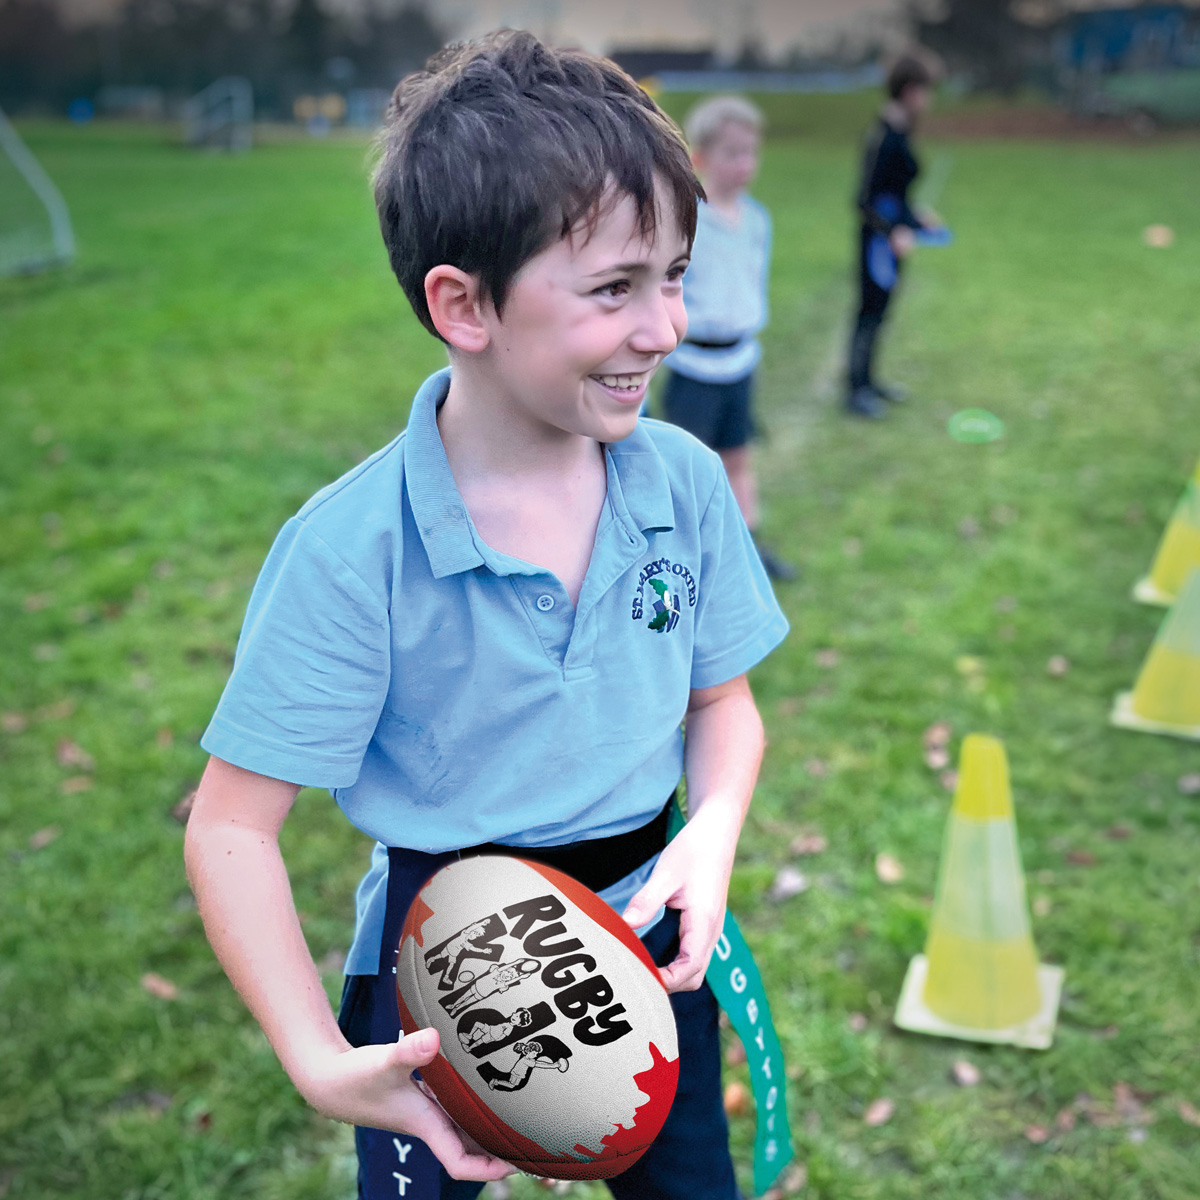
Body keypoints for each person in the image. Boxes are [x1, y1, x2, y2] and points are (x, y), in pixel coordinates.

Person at [184, 30, 788, 1200]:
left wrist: (709, 831)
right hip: (435, 971)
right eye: (617, 287)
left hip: (648, 944)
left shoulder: (685, 481)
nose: (665, 327)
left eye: (675, 275)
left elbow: (725, 704)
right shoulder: (355, 548)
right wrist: (318, 1058)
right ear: (463, 305)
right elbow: (230, 827)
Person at [659, 95, 795, 582]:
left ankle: (749, 549)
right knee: (689, 472)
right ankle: (687, 562)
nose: (746, 164)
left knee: (738, 458)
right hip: (694, 367)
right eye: (733, 153)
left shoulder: (758, 219)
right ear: (700, 158)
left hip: (740, 362)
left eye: (751, 153)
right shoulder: (685, 219)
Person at [846, 52, 942, 420]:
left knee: (881, 312)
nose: (929, 100)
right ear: (910, 90)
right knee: (868, 311)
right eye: (926, 90)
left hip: (894, 237)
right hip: (876, 243)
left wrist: (915, 216)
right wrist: (894, 231)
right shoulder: (882, 135)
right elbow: (864, 200)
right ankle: (855, 390)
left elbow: (895, 191)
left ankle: (870, 382)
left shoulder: (901, 129)